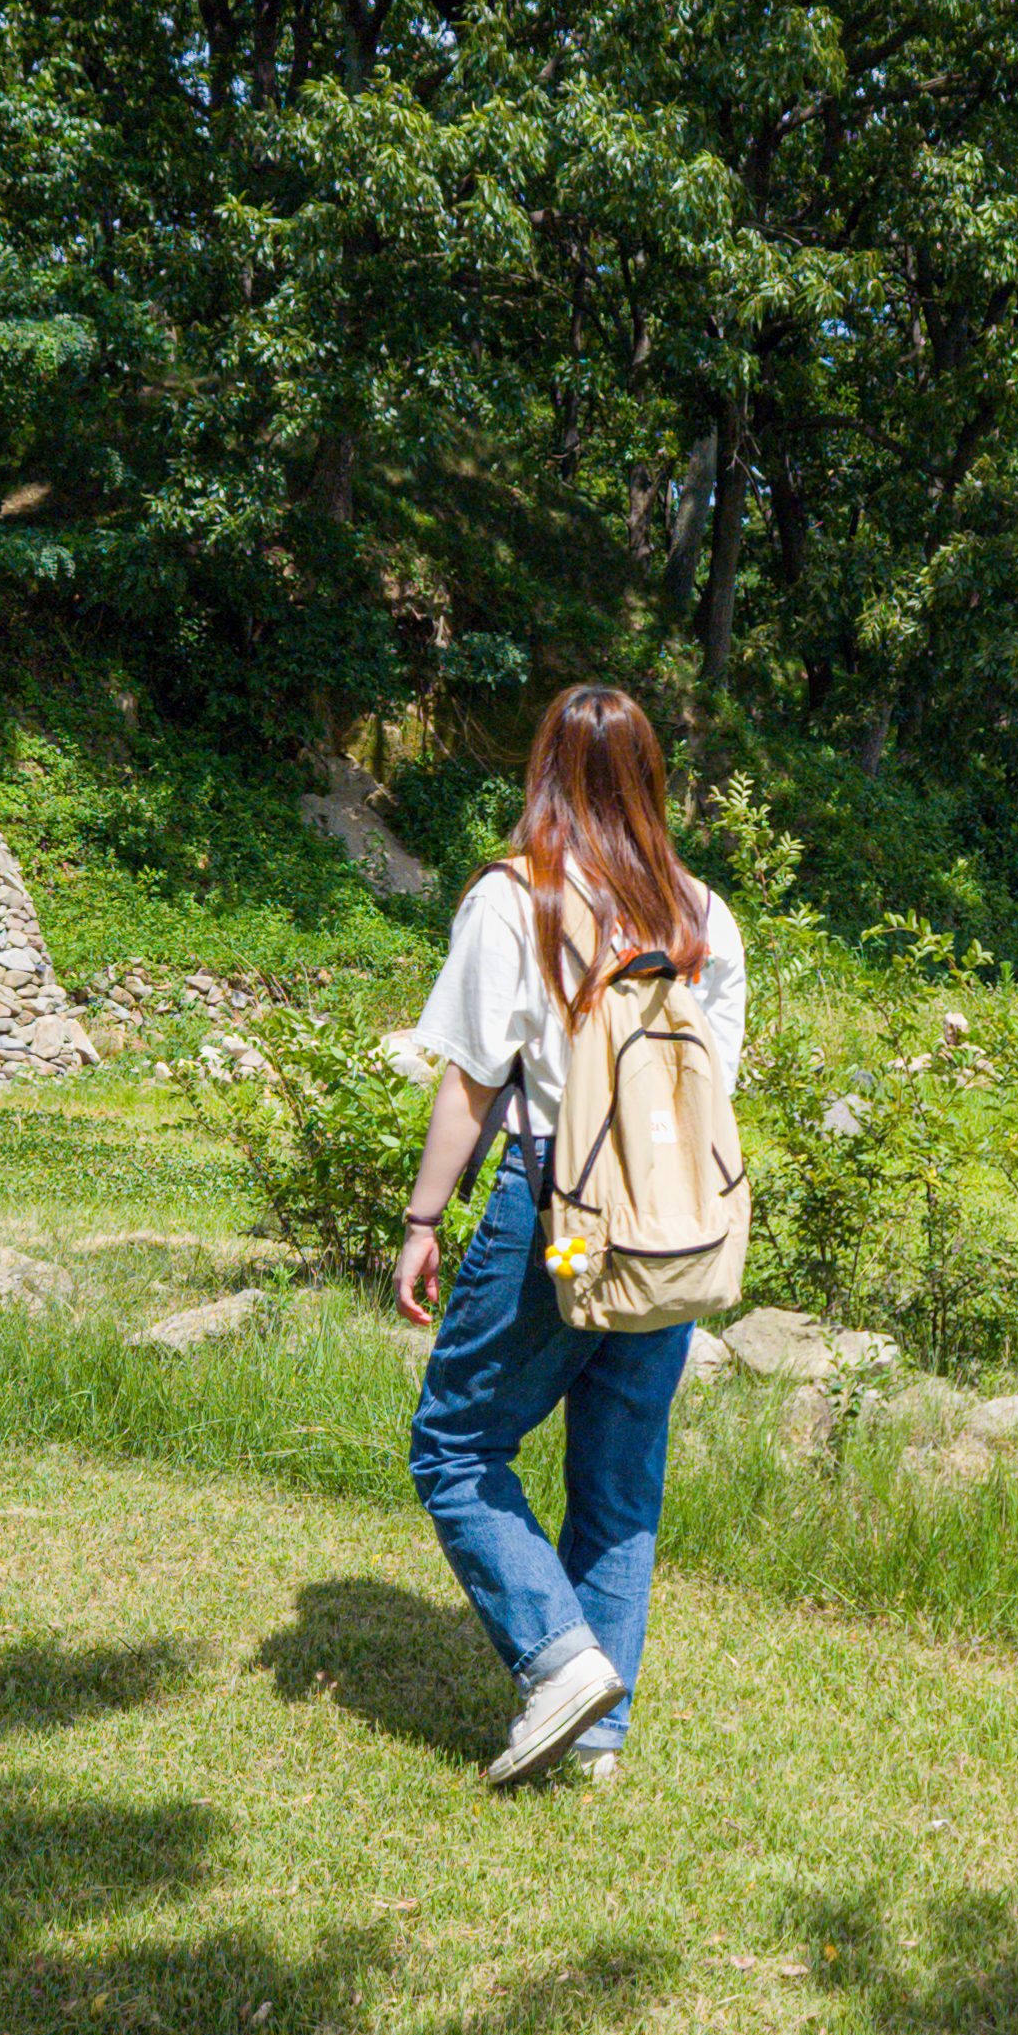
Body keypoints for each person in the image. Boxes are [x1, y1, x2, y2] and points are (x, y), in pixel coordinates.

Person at [392, 685, 746, 1788]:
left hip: (558, 1221)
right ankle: (594, 1735)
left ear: (544, 769)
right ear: (651, 777)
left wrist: (420, 1217)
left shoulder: (519, 900)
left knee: (453, 1445)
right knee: (619, 1482)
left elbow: (470, 1081)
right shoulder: (700, 915)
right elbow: (712, 1085)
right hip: (673, 1223)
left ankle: (557, 1663)